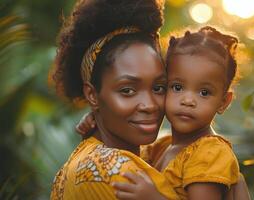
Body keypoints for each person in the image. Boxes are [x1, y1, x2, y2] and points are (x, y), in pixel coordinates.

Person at [78, 26, 251, 200]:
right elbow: (118, 154)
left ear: (223, 102)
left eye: (204, 92)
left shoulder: (210, 153)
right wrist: (97, 120)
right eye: (177, 87)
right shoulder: (161, 147)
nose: (187, 100)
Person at [50, 0, 179, 199]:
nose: (150, 105)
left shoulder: (87, 158)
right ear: (92, 95)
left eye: (158, 88)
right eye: (127, 90)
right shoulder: (120, 173)